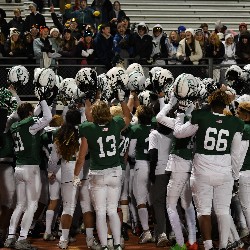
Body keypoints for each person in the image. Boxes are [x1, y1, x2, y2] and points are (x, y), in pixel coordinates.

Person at [173, 90, 244, 250]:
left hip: (202, 171)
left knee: (203, 211)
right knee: (223, 211)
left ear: (210, 102)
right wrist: (235, 175)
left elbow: (178, 133)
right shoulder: (235, 122)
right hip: (224, 171)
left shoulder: (201, 116)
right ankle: (224, 246)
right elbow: (235, 154)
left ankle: (208, 246)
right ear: (226, 103)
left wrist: (179, 114)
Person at [74, 96, 131, 250]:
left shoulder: (87, 127)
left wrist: (75, 175)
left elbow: (81, 157)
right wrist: (122, 100)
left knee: (100, 212)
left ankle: (105, 246)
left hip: (97, 174)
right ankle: (117, 244)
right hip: (114, 172)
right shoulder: (116, 123)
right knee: (112, 210)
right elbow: (128, 116)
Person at [4, 100, 52, 250]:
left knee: (20, 204)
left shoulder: (14, 126)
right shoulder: (29, 125)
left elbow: (32, 116)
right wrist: (44, 101)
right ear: (30, 113)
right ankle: (22, 238)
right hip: (31, 168)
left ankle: (11, 236)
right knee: (32, 204)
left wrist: (39, 105)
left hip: (18, 168)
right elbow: (48, 117)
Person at [128, 105, 154, 244]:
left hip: (141, 165)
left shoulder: (136, 129)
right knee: (154, 199)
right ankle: (159, 229)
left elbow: (131, 152)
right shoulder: (155, 129)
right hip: (155, 167)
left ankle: (146, 231)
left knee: (140, 200)